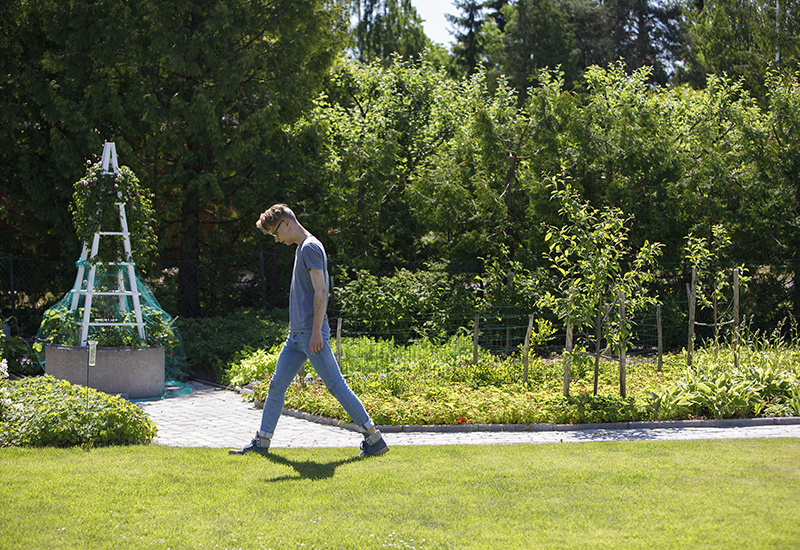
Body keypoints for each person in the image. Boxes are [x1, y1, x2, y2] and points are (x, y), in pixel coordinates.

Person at [230, 204, 389, 457]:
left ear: (286, 223)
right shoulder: (302, 249)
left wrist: (316, 332)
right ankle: (262, 442)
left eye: (275, 233)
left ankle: (373, 438)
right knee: (276, 386)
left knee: (337, 387)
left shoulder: (311, 247)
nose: (276, 239)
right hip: (296, 337)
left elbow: (321, 290)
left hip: (310, 335)